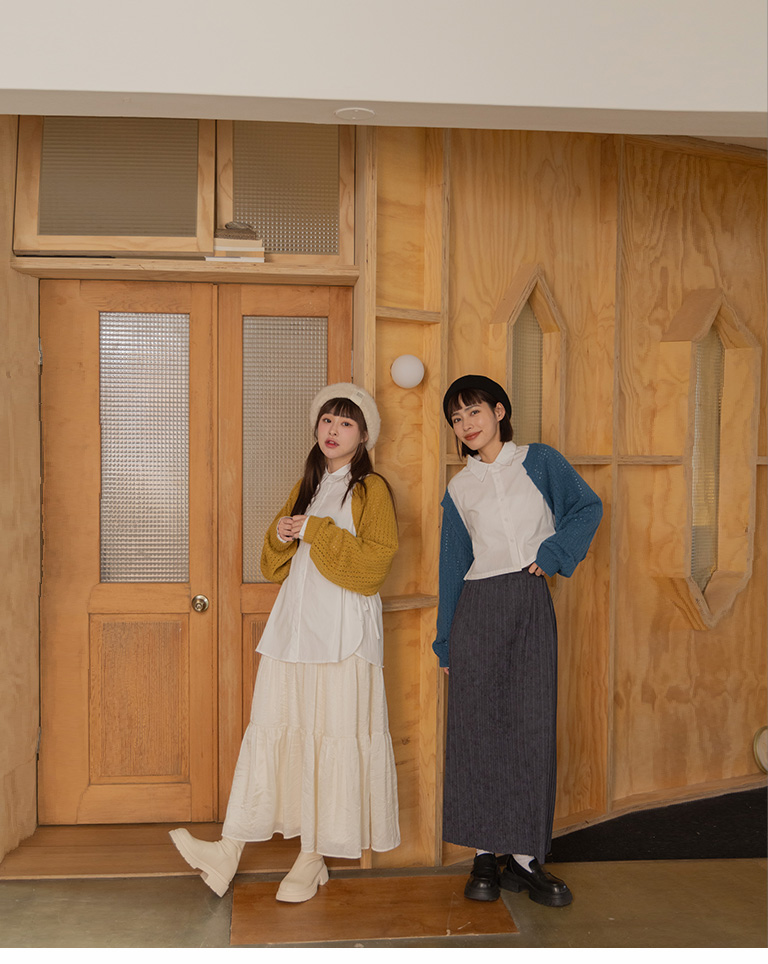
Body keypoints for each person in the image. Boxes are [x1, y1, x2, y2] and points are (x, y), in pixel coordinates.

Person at [171, 383, 400, 902]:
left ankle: (313, 855)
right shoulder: (307, 486)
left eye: (345, 423)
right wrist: (280, 536)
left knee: (331, 734)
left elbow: (373, 568)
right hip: (295, 631)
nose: (332, 430)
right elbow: (273, 567)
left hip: (343, 636)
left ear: (364, 435)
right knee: (277, 730)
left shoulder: (371, 490)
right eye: (327, 420)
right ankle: (228, 850)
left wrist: (316, 531)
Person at [433, 374, 602, 907]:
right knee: (477, 729)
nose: (466, 424)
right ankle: (485, 854)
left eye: (474, 411)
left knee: (531, 726)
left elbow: (587, 507)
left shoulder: (540, 461)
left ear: (499, 411)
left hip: (529, 599)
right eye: (456, 418)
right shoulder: (459, 489)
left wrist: (553, 554)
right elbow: (452, 567)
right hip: (477, 608)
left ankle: (526, 860)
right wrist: (445, 642)